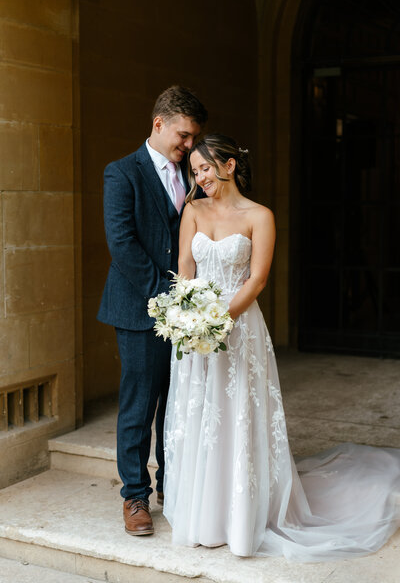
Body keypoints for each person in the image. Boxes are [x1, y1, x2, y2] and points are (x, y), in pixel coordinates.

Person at [163, 133, 400, 560]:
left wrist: (219, 321)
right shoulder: (192, 210)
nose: (199, 178)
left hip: (239, 329)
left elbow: (257, 280)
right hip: (196, 331)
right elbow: (184, 266)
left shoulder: (260, 216)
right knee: (202, 414)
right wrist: (186, 318)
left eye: (204, 169)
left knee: (236, 415)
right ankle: (204, 515)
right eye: (194, 172)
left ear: (229, 165)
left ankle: (242, 516)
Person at [97, 86, 207, 536]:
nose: (189, 146)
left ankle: (172, 486)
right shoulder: (121, 173)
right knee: (140, 405)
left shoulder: (195, 174)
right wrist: (167, 294)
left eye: (194, 138)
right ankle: (135, 496)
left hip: (186, 313)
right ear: (159, 123)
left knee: (177, 404)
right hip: (139, 309)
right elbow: (121, 243)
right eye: (183, 136)